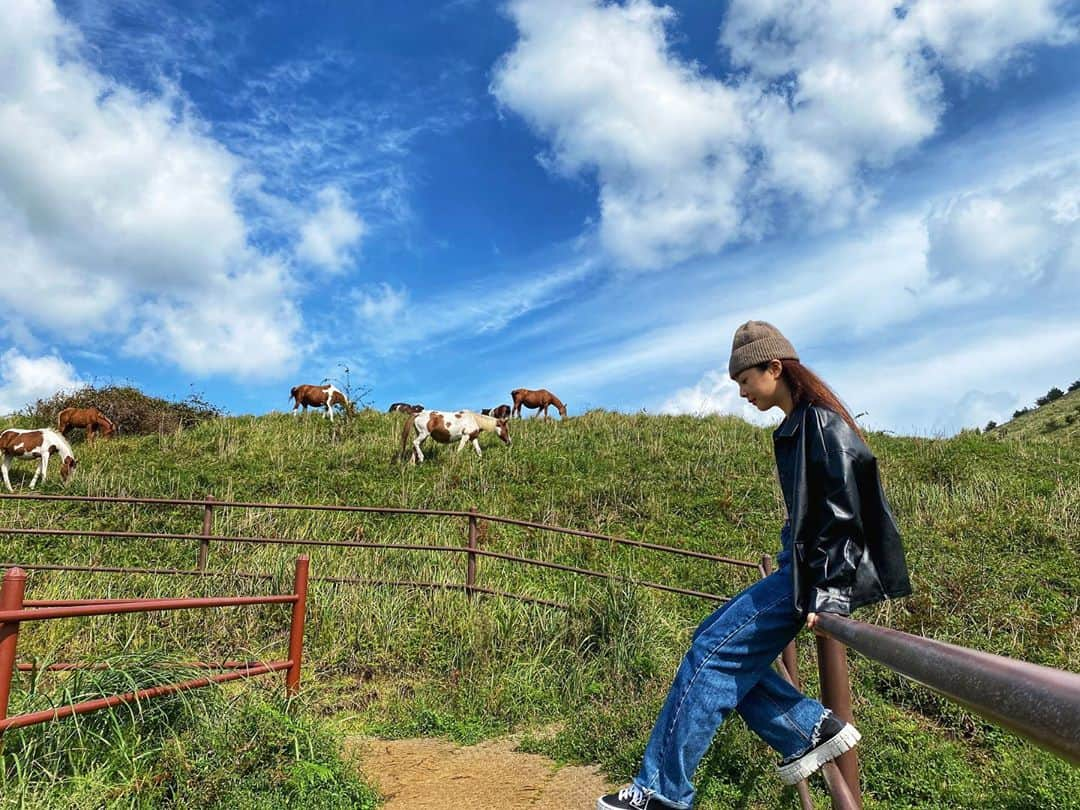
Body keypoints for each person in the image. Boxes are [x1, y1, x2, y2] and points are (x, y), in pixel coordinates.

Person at [598, 321, 912, 810]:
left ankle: (662, 792)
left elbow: (843, 511)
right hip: (800, 568)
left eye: (745, 380)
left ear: (774, 368)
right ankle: (807, 727)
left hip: (810, 576)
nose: (741, 392)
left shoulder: (820, 424)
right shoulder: (800, 423)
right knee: (711, 642)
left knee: (710, 652)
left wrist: (825, 594)